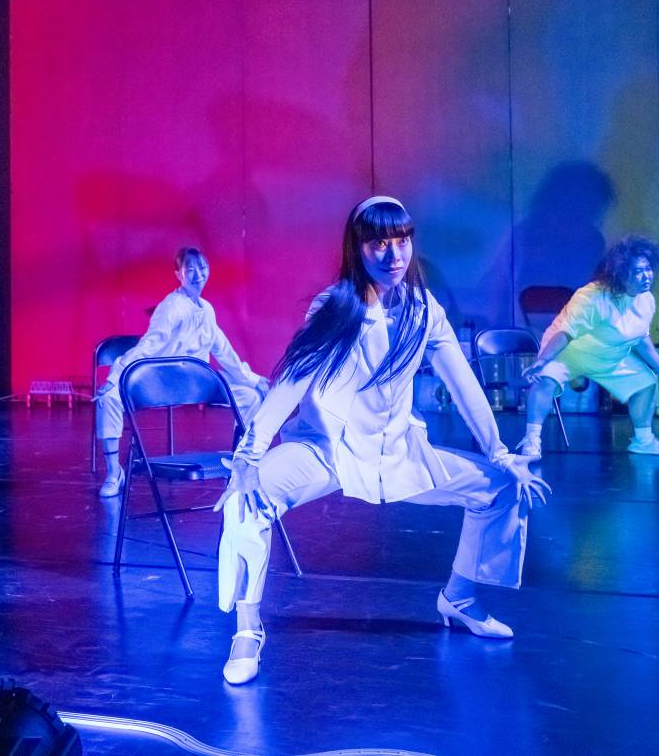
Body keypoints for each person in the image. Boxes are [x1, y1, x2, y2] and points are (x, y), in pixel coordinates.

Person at [213, 196, 550, 685]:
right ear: (358, 248)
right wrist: (250, 454)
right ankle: (247, 630)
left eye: (402, 241)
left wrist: (500, 452)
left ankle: (459, 598)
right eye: (378, 244)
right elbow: (291, 382)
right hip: (323, 451)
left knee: (500, 487)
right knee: (246, 500)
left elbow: (463, 384)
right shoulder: (335, 306)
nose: (394, 255)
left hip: (396, 453)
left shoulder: (422, 310)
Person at [95, 247, 268, 497]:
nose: (198, 274)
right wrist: (114, 378)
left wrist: (253, 380)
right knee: (108, 401)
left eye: (203, 268)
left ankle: (240, 463)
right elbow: (149, 344)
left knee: (251, 397)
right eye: (190, 269)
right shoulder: (172, 307)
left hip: (195, 384)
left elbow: (223, 350)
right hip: (160, 383)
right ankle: (114, 473)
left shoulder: (206, 309)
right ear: (179, 274)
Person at [519, 236, 659, 457]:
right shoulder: (592, 297)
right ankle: (531, 441)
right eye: (639, 271)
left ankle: (643, 441)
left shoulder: (646, 300)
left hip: (609, 357)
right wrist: (543, 361)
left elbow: (640, 337)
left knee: (646, 383)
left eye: (649, 269)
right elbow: (565, 333)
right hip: (568, 351)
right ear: (621, 274)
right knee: (545, 381)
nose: (647, 276)